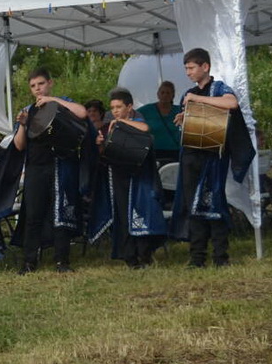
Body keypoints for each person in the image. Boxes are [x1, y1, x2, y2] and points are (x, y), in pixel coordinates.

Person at [171, 48, 246, 268]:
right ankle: (197, 258)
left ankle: (221, 256)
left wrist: (197, 100)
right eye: (186, 68)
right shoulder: (188, 93)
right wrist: (184, 118)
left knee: (214, 203)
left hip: (213, 157)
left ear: (205, 66)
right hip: (191, 155)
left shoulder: (219, 88)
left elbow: (231, 104)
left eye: (191, 68)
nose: (188, 72)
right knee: (192, 206)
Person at [12, 67, 89, 274]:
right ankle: (29, 262)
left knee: (61, 212)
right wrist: (22, 125)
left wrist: (52, 100)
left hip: (60, 164)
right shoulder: (28, 110)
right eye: (33, 86)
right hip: (36, 167)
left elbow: (82, 113)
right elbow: (19, 145)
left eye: (41, 84)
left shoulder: (62, 102)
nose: (38, 89)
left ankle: (62, 261)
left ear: (50, 83)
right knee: (33, 214)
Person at [88, 88, 165, 269]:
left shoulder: (136, 121)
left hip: (139, 177)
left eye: (119, 107)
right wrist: (99, 145)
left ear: (129, 107)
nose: (115, 111)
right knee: (122, 215)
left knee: (141, 212)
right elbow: (106, 153)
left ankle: (145, 254)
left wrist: (121, 123)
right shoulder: (110, 127)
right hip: (118, 176)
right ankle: (130, 256)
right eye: (113, 108)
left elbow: (145, 129)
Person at [138, 81, 182, 163]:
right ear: (158, 94)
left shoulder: (179, 111)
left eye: (168, 93)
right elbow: (132, 117)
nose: (165, 95)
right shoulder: (147, 110)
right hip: (153, 152)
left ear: (173, 95)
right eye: (162, 92)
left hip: (175, 152)